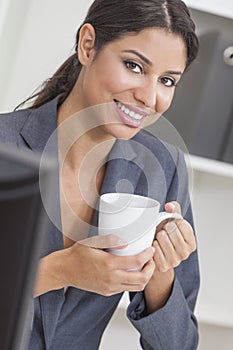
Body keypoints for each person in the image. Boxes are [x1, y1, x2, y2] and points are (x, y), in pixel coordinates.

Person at [0, 0, 200, 349]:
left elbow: (180, 344)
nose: (149, 97)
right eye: (134, 66)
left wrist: (160, 272)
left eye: (167, 80)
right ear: (88, 45)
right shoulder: (5, 146)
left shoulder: (163, 167)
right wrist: (58, 271)